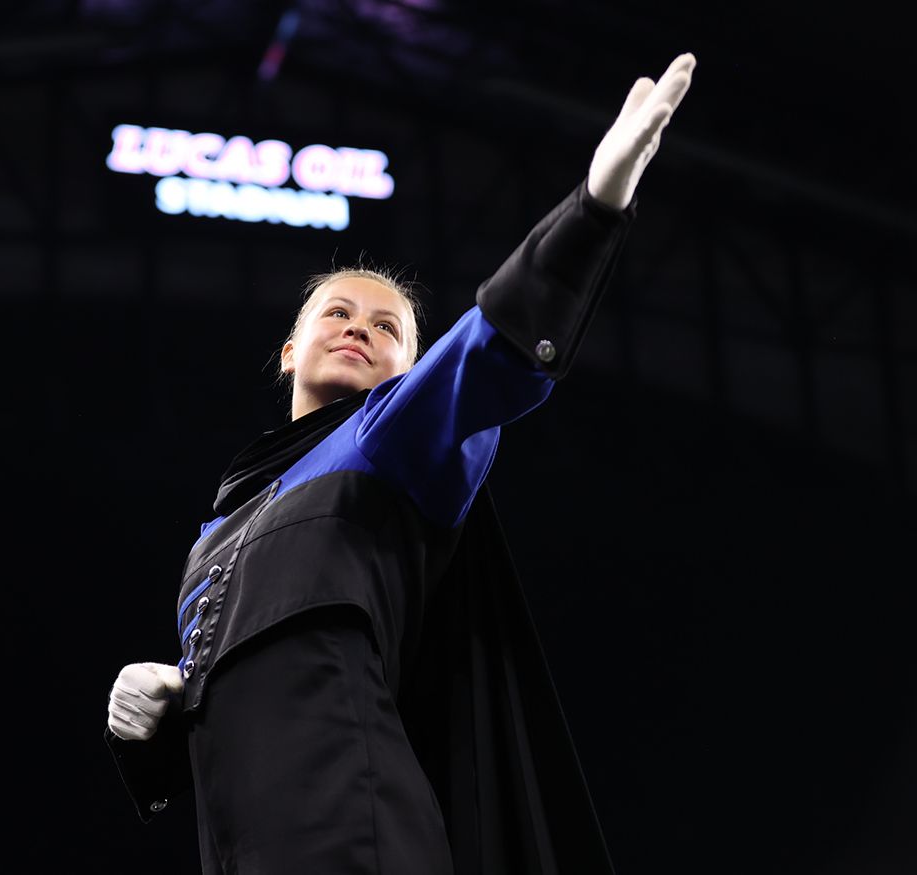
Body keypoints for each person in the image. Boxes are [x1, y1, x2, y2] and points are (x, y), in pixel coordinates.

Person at [105, 52, 696, 874]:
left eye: (387, 329)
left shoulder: (388, 437)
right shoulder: (217, 528)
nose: (359, 328)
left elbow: (482, 355)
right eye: (337, 312)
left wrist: (592, 212)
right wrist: (160, 713)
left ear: (405, 374)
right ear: (288, 351)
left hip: (352, 837)